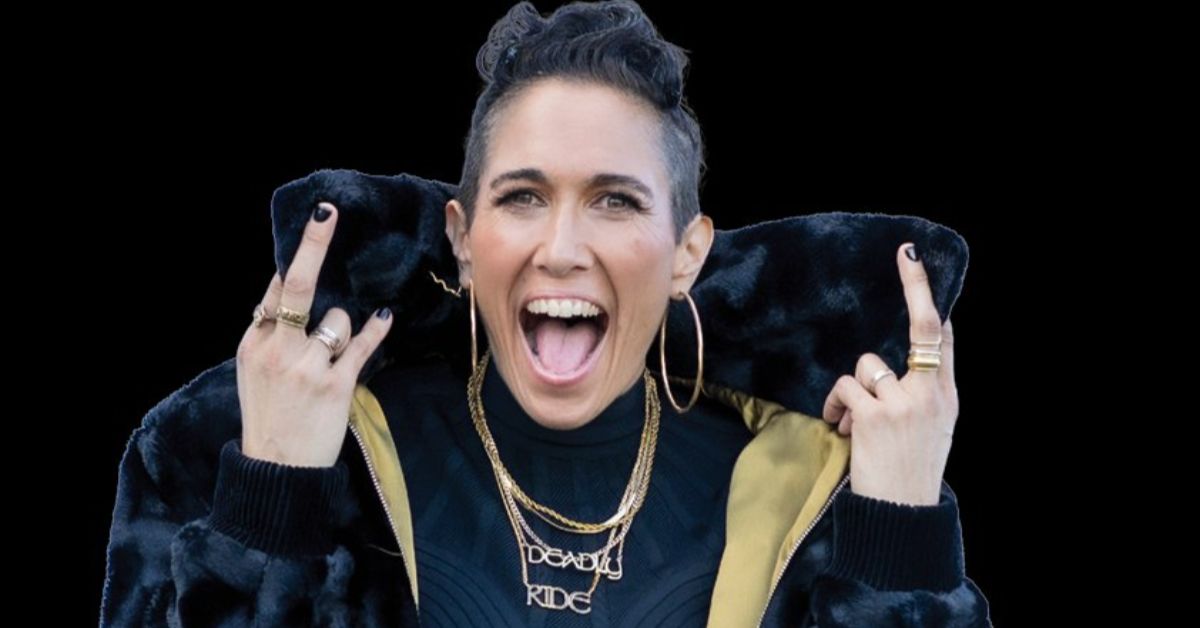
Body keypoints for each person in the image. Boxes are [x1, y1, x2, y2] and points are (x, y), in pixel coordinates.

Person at [98, 1, 994, 626]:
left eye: (616, 201)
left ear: (687, 252)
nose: (562, 248)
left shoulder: (823, 488)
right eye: (523, 197)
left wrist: (900, 532)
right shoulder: (223, 448)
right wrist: (271, 498)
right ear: (462, 237)